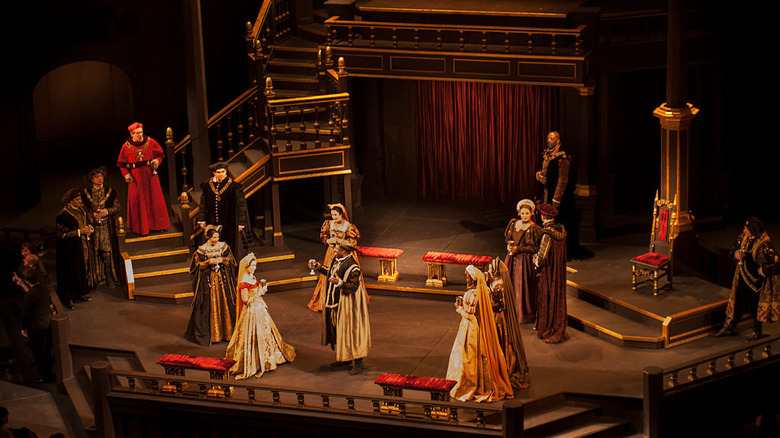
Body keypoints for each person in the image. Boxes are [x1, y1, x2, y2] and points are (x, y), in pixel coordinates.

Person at [446, 265, 513, 402]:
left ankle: (470, 385)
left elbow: (471, 316)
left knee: (468, 357)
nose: (466, 278)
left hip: (471, 329)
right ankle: (482, 382)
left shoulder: (472, 295)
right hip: (481, 328)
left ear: (474, 279)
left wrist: (459, 309)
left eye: (467, 276)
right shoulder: (485, 292)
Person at [225, 253, 295, 379]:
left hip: (259, 308)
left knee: (267, 332)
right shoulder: (243, 282)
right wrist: (260, 293)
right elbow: (246, 300)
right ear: (246, 267)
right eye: (252, 266)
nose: (254, 268)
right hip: (252, 311)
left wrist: (261, 290)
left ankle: (269, 357)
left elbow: (255, 292)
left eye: (255, 265)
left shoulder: (251, 276)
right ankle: (256, 360)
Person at [308, 238, 371, 375]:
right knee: (338, 331)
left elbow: (353, 287)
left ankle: (358, 362)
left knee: (351, 332)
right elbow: (331, 272)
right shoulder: (336, 260)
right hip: (333, 302)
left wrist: (340, 282)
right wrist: (318, 266)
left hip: (347, 306)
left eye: (337, 248)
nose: (334, 250)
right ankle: (345, 358)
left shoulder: (353, 268)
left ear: (344, 251)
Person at [713, 217, 780, 340]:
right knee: (737, 302)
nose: (743, 231)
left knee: (755, 306)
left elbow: (777, 263)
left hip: (757, 282)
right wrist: (735, 254)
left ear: (753, 231)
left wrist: (764, 270)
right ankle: (730, 327)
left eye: (746, 229)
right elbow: (733, 250)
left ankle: (757, 331)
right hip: (743, 277)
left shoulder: (765, 245)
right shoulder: (742, 239)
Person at [185, 226, 237, 346]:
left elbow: (231, 261)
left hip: (222, 282)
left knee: (226, 303)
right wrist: (207, 263)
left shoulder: (224, 247)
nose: (216, 239)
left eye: (218, 237)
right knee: (208, 305)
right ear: (208, 237)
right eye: (214, 237)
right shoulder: (201, 250)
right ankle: (213, 335)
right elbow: (195, 267)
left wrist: (222, 260)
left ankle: (227, 333)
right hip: (209, 282)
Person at [117, 122, 170, 236]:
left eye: (141, 132)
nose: (139, 135)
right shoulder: (126, 147)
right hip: (136, 178)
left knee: (154, 199)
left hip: (150, 176)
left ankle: (158, 226)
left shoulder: (151, 142)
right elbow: (121, 165)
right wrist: (126, 175)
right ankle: (141, 228)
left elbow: (160, 155)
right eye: (136, 133)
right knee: (138, 201)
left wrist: (157, 161)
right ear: (131, 134)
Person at [307, 204, 361, 312]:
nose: (333, 217)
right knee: (329, 272)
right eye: (332, 215)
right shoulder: (329, 223)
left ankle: (342, 301)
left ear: (341, 214)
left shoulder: (348, 226)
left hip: (342, 252)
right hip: (331, 253)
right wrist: (326, 241)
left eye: (336, 215)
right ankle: (326, 300)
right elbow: (324, 235)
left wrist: (341, 244)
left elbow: (352, 241)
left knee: (342, 274)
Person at [487, 258, 530, 389]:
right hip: (498, 316)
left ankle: (504, 368)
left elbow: (500, 305)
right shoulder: (497, 282)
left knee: (502, 340)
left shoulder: (499, 285)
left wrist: (489, 298)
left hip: (499, 318)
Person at [535, 131, 580, 258]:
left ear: (558, 141)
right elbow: (541, 170)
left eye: (552, 138)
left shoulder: (562, 157)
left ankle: (562, 252)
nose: (548, 140)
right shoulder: (545, 154)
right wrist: (539, 176)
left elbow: (563, 180)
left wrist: (556, 199)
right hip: (546, 193)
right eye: (548, 138)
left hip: (559, 197)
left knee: (559, 222)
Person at [197, 162, 250, 260]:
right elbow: (203, 203)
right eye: (218, 172)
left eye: (223, 172)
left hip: (230, 222)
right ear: (214, 173)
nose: (221, 174)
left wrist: (241, 222)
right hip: (212, 222)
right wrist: (202, 219)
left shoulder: (234, 186)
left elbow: (241, 206)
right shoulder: (207, 185)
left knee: (231, 245)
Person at [81, 166, 124, 288]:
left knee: (107, 251)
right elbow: (83, 208)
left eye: (101, 176)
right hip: (92, 226)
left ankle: (109, 276)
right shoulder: (85, 193)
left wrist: (107, 211)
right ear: (92, 179)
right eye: (96, 177)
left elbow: (117, 207)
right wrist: (91, 215)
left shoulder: (110, 191)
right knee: (94, 251)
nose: (100, 179)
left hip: (106, 226)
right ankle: (97, 278)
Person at [534, 202, 568, 344]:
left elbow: (542, 256)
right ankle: (556, 324)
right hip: (558, 270)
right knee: (557, 294)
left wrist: (536, 261)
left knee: (547, 294)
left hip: (549, 271)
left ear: (543, 216)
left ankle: (547, 326)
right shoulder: (561, 230)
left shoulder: (547, 233)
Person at [13, 269, 55, 383]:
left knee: (38, 353)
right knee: (46, 351)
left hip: (36, 327)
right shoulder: (45, 289)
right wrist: (22, 284)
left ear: (27, 280)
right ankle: (49, 373)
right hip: (47, 324)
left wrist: (24, 327)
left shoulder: (30, 295)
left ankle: (44, 376)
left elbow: (26, 313)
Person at [504, 199, 542, 324]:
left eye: (527, 213)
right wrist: (509, 247)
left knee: (523, 286)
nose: (525, 215)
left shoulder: (534, 228)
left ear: (531, 213)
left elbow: (535, 248)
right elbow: (508, 239)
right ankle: (509, 311)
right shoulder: (514, 223)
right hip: (512, 259)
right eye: (523, 213)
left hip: (524, 261)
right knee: (509, 283)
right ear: (519, 213)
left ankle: (523, 314)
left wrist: (518, 249)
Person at [55, 188, 93, 309]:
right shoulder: (63, 216)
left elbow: (87, 221)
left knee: (81, 268)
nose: (80, 201)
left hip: (81, 245)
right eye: (77, 199)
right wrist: (79, 231)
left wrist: (89, 228)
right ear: (71, 201)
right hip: (69, 249)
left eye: (80, 199)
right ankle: (69, 298)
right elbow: (62, 235)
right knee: (70, 271)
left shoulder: (82, 210)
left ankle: (80, 293)